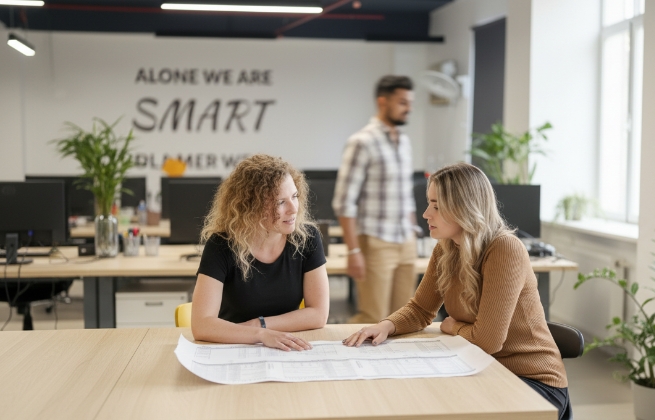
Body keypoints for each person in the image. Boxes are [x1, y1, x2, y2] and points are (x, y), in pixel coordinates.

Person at [343, 162, 572, 419]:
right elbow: (420, 309)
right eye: (429, 203)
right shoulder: (446, 248)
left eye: (437, 206)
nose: (426, 214)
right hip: (481, 367)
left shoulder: (504, 249)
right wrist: (386, 325)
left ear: (464, 208)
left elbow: (488, 340)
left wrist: (454, 327)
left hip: (532, 381)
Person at [191, 154, 329, 351]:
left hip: (286, 346)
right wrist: (260, 335)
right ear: (251, 206)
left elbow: (318, 314)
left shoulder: (307, 238)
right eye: (281, 202)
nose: (293, 209)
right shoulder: (221, 245)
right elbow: (202, 325)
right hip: (232, 346)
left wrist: (260, 324)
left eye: (294, 196)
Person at [332, 75, 419, 324]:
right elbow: (344, 201)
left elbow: (406, 194)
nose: (408, 108)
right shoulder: (362, 142)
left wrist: (414, 228)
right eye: (402, 102)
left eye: (410, 102)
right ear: (383, 102)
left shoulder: (404, 141)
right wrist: (354, 250)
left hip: (406, 239)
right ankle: (344, 355)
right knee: (373, 317)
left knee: (404, 317)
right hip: (375, 241)